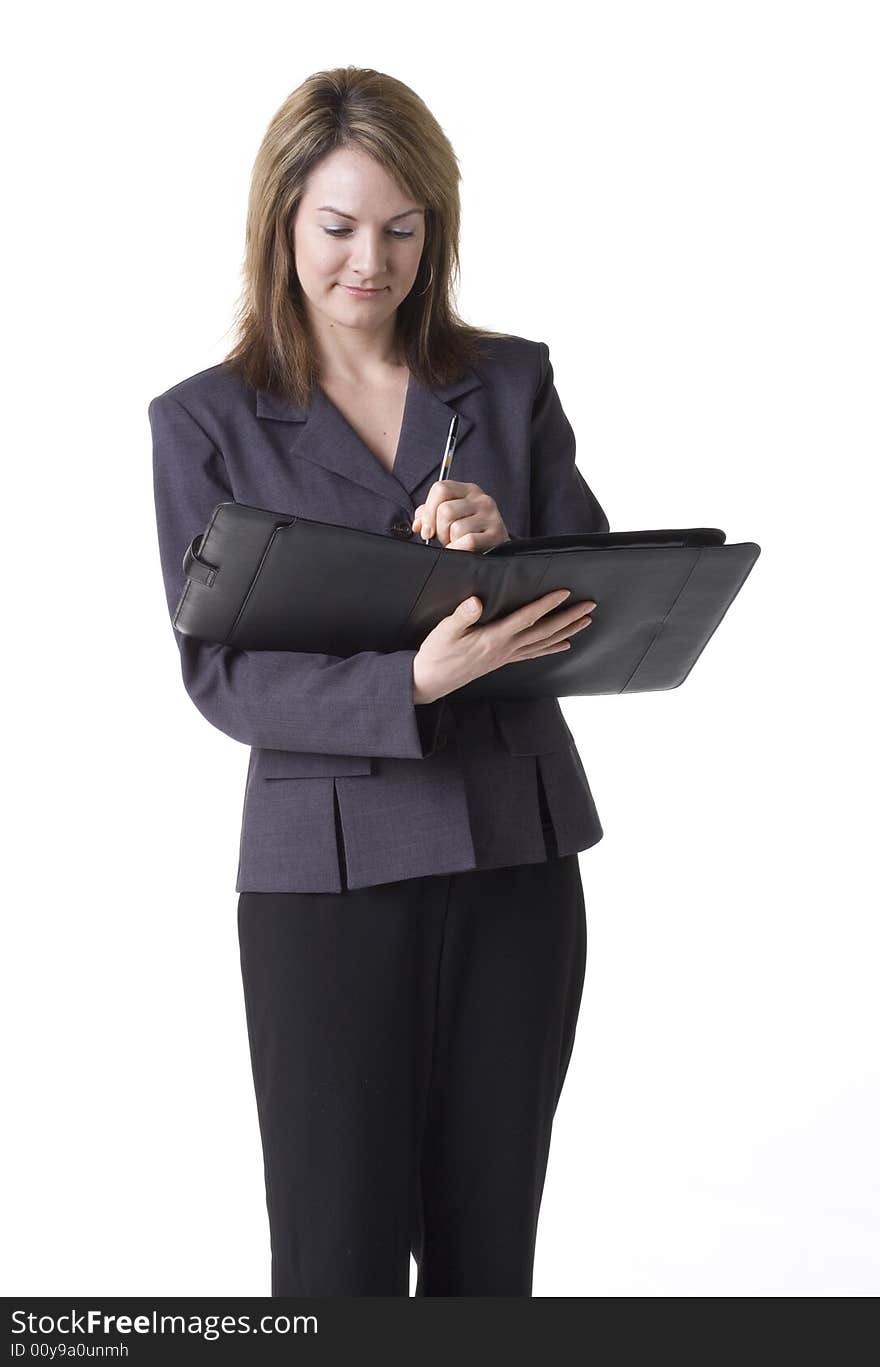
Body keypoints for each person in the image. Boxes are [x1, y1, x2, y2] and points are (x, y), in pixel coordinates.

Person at [149, 66, 609, 1297]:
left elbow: (602, 609)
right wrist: (407, 679)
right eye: (339, 228)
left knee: (486, 1253)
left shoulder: (507, 383)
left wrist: (504, 543)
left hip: (516, 859)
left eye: (403, 229)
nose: (372, 261)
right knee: (332, 1261)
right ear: (281, 224)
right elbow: (222, 671)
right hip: (326, 880)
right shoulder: (206, 421)